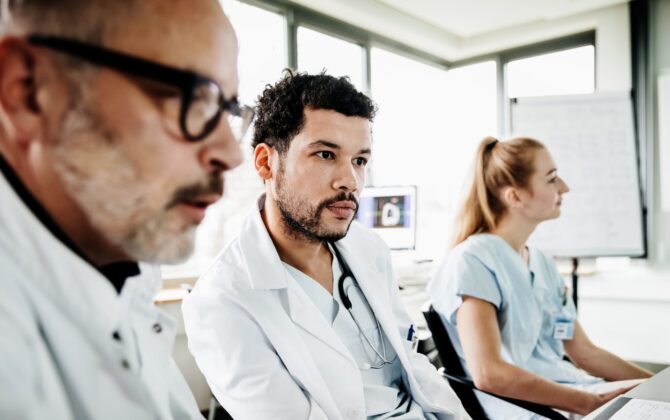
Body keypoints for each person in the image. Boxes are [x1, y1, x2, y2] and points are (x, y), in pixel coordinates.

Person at [0, 0, 251, 418]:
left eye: (226, 109)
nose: (229, 153)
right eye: (193, 97)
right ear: (28, 91)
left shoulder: (122, 278)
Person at [182, 71, 470, 420]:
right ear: (265, 162)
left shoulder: (369, 249)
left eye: (359, 160)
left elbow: (412, 364)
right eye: (324, 155)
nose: (350, 181)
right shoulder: (222, 302)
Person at [426, 136, 652, 419]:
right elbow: (489, 373)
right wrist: (589, 403)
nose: (564, 187)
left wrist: (657, 387)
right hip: (527, 408)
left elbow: (584, 352)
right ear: (515, 196)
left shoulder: (542, 263)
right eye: (552, 178)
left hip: (574, 391)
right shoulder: (473, 261)